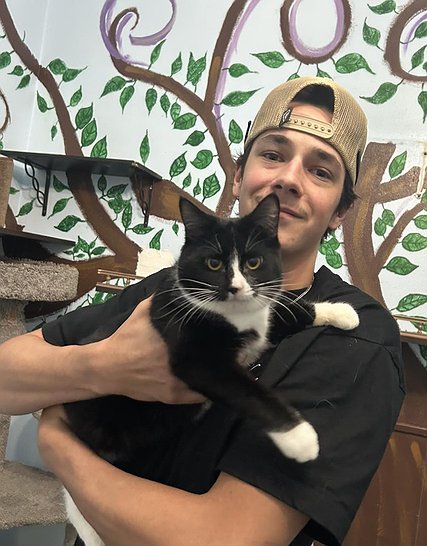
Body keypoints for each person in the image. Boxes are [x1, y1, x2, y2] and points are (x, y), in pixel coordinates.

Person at [0, 76, 404, 546]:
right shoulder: (178, 287)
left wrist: (58, 444)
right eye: (273, 155)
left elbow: (222, 538)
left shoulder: (359, 340)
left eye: (320, 171)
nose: (289, 179)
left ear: (340, 211)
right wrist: (102, 366)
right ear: (239, 177)